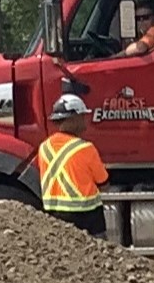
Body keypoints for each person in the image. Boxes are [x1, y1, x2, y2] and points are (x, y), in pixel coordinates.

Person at [34, 93, 108, 225]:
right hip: (87, 217)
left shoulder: (44, 147)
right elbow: (104, 183)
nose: (85, 120)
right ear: (73, 119)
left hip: (54, 218)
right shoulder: (85, 148)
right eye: (82, 116)